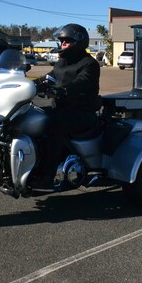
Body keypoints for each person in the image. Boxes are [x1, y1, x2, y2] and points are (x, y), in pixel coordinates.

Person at [27, 23, 100, 191]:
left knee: (55, 124)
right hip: (61, 109)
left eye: (67, 40)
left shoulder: (89, 64)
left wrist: (63, 90)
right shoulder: (61, 63)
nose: (63, 43)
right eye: (61, 41)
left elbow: (81, 82)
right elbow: (48, 78)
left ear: (78, 42)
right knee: (31, 117)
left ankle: (47, 176)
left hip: (82, 113)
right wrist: (30, 85)